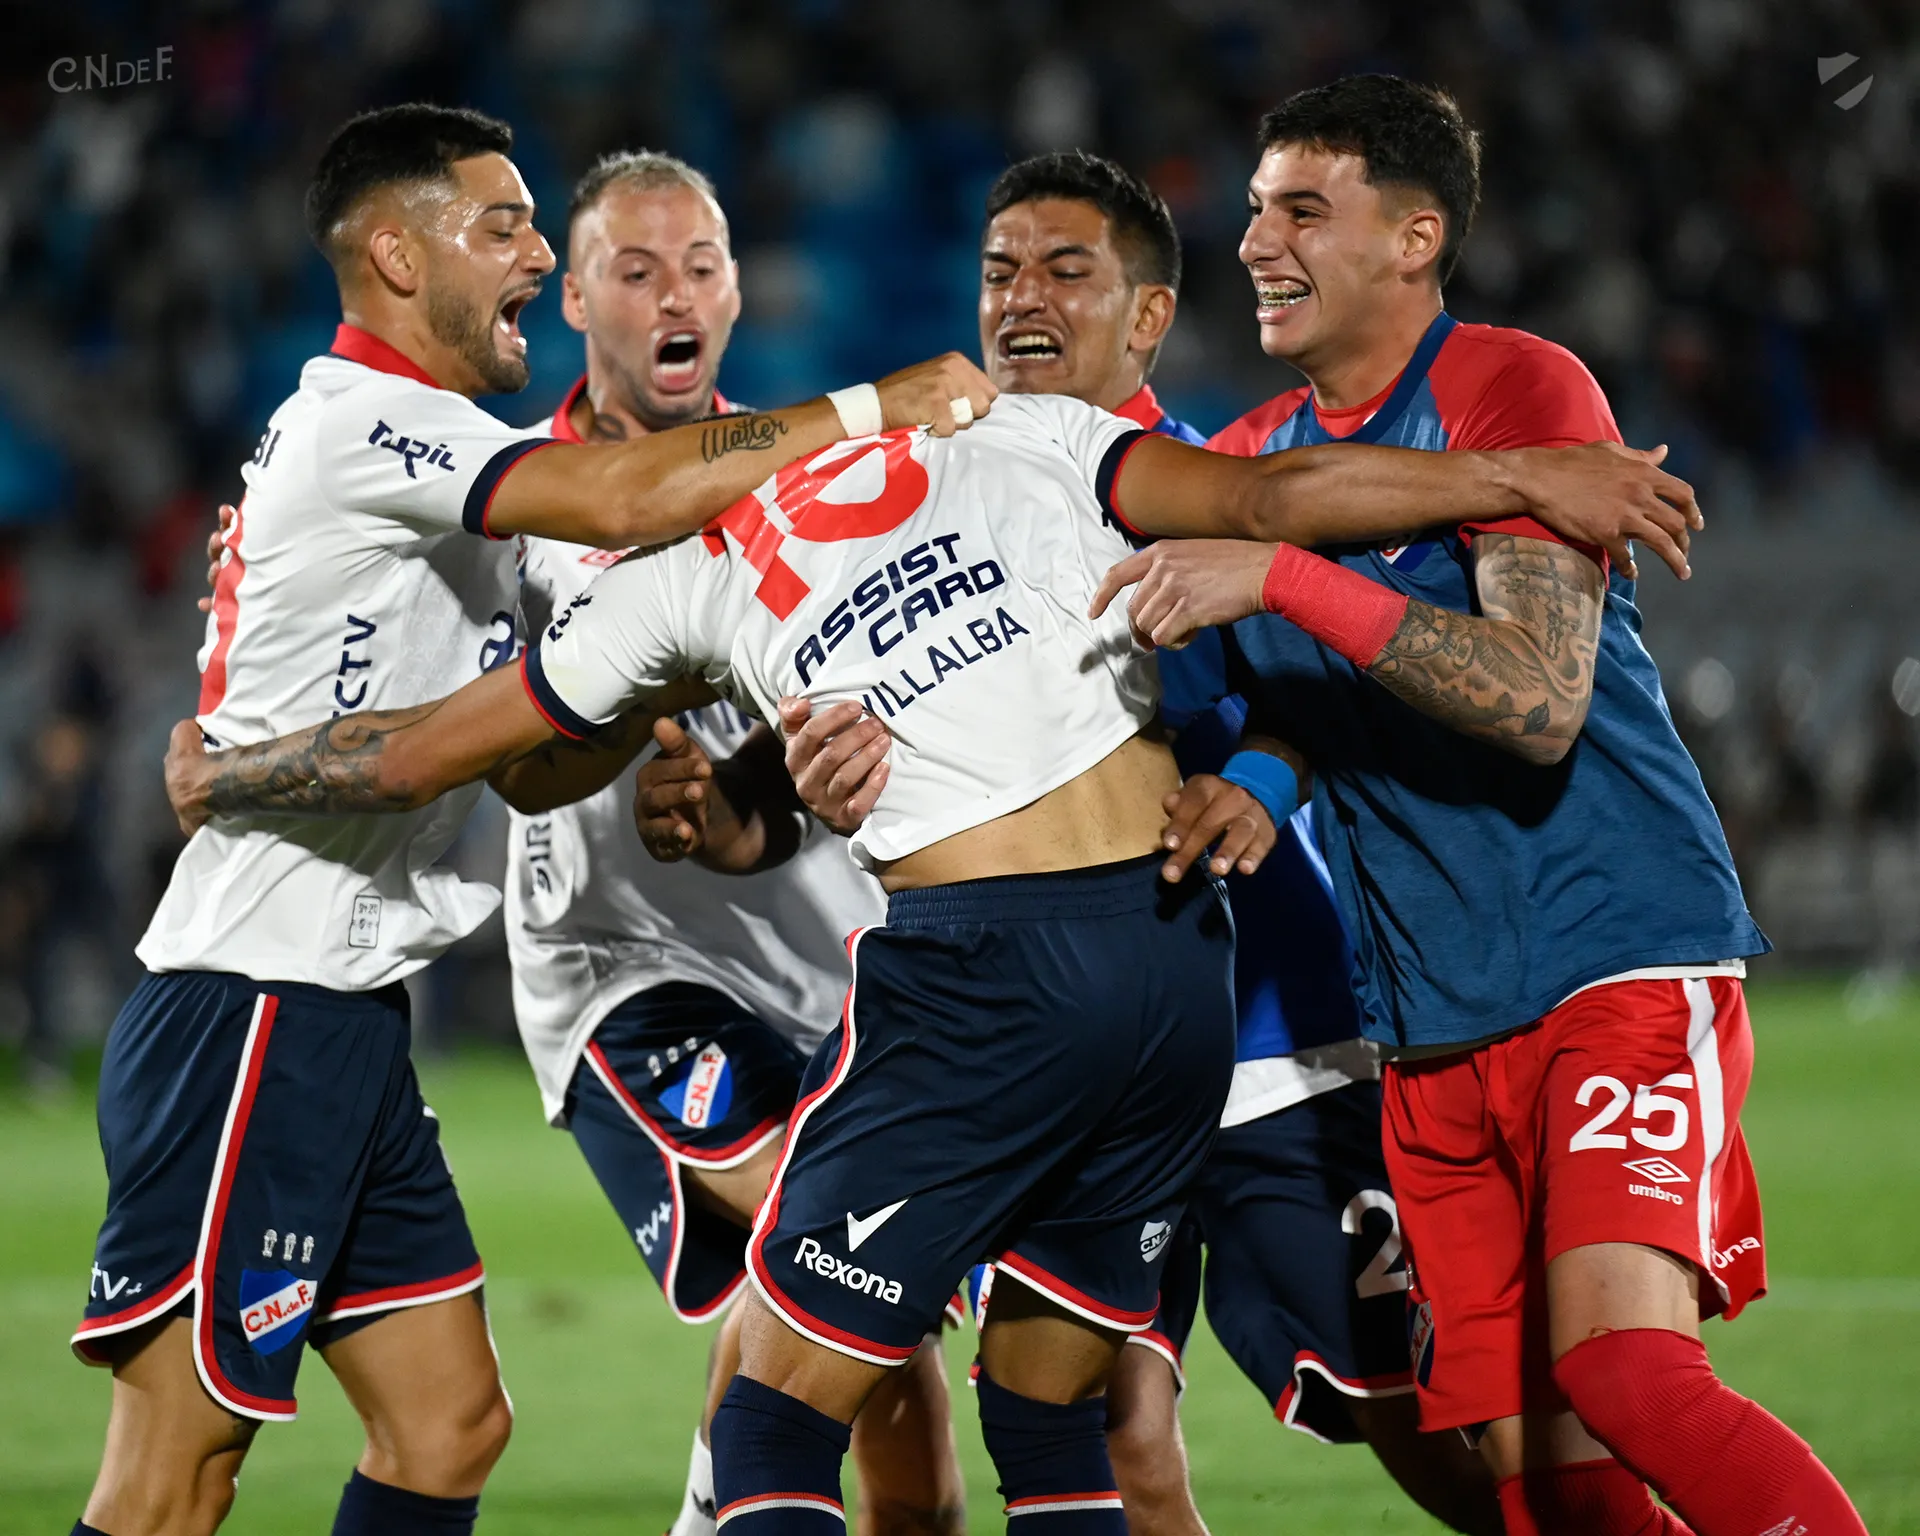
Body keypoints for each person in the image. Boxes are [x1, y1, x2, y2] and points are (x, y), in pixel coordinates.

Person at [159, 364, 1696, 1533]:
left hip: (989, 979)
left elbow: (427, 754)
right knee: (1052, 1417)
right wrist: (1524, 475)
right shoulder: (1016, 431)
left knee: (771, 1417)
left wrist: (227, 772)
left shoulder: (671, 582)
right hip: (1177, 968)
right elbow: (1275, 499)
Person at [71, 99, 990, 1536]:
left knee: (447, 1428)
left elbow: (524, 762)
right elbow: (622, 500)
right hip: (252, 999)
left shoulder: (429, 452)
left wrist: (656, 693)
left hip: (349, 1009)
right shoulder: (370, 422)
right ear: (397, 254)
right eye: (501, 225)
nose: (531, 251)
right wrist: (879, 407)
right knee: (173, 1474)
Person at [1089, 75, 1867, 1536]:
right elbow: (1308, 689)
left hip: (1609, 958)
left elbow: (1534, 698)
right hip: (1432, 1025)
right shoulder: (1253, 465)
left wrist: (1284, 578)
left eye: (1302, 210)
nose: (1255, 242)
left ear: (1415, 236)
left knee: (1630, 1376)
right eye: (1253, 209)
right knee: (1543, 1486)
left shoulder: (1515, 388)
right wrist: (1264, 771)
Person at [694, 148, 1494, 1536]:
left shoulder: (1212, 482)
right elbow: (817, 778)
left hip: (1263, 1027)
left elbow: (1337, 658)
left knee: (1404, 1404)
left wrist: (1261, 772)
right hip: (1047, 1026)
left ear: (1147, 314)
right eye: (999, 271)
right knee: (1105, 1429)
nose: (1023, 300)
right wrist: (756, 801)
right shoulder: (925, 493)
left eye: (1066, 272)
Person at [504, 149, 960, 1536]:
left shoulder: (816, 476)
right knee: (833, 1239)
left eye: (699, 267)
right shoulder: (516, 503)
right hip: (626, 965)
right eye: (635, 270)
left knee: (905, 1424)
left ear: (738, 291)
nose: (674, 295)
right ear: (574, 297)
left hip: (831, 961)